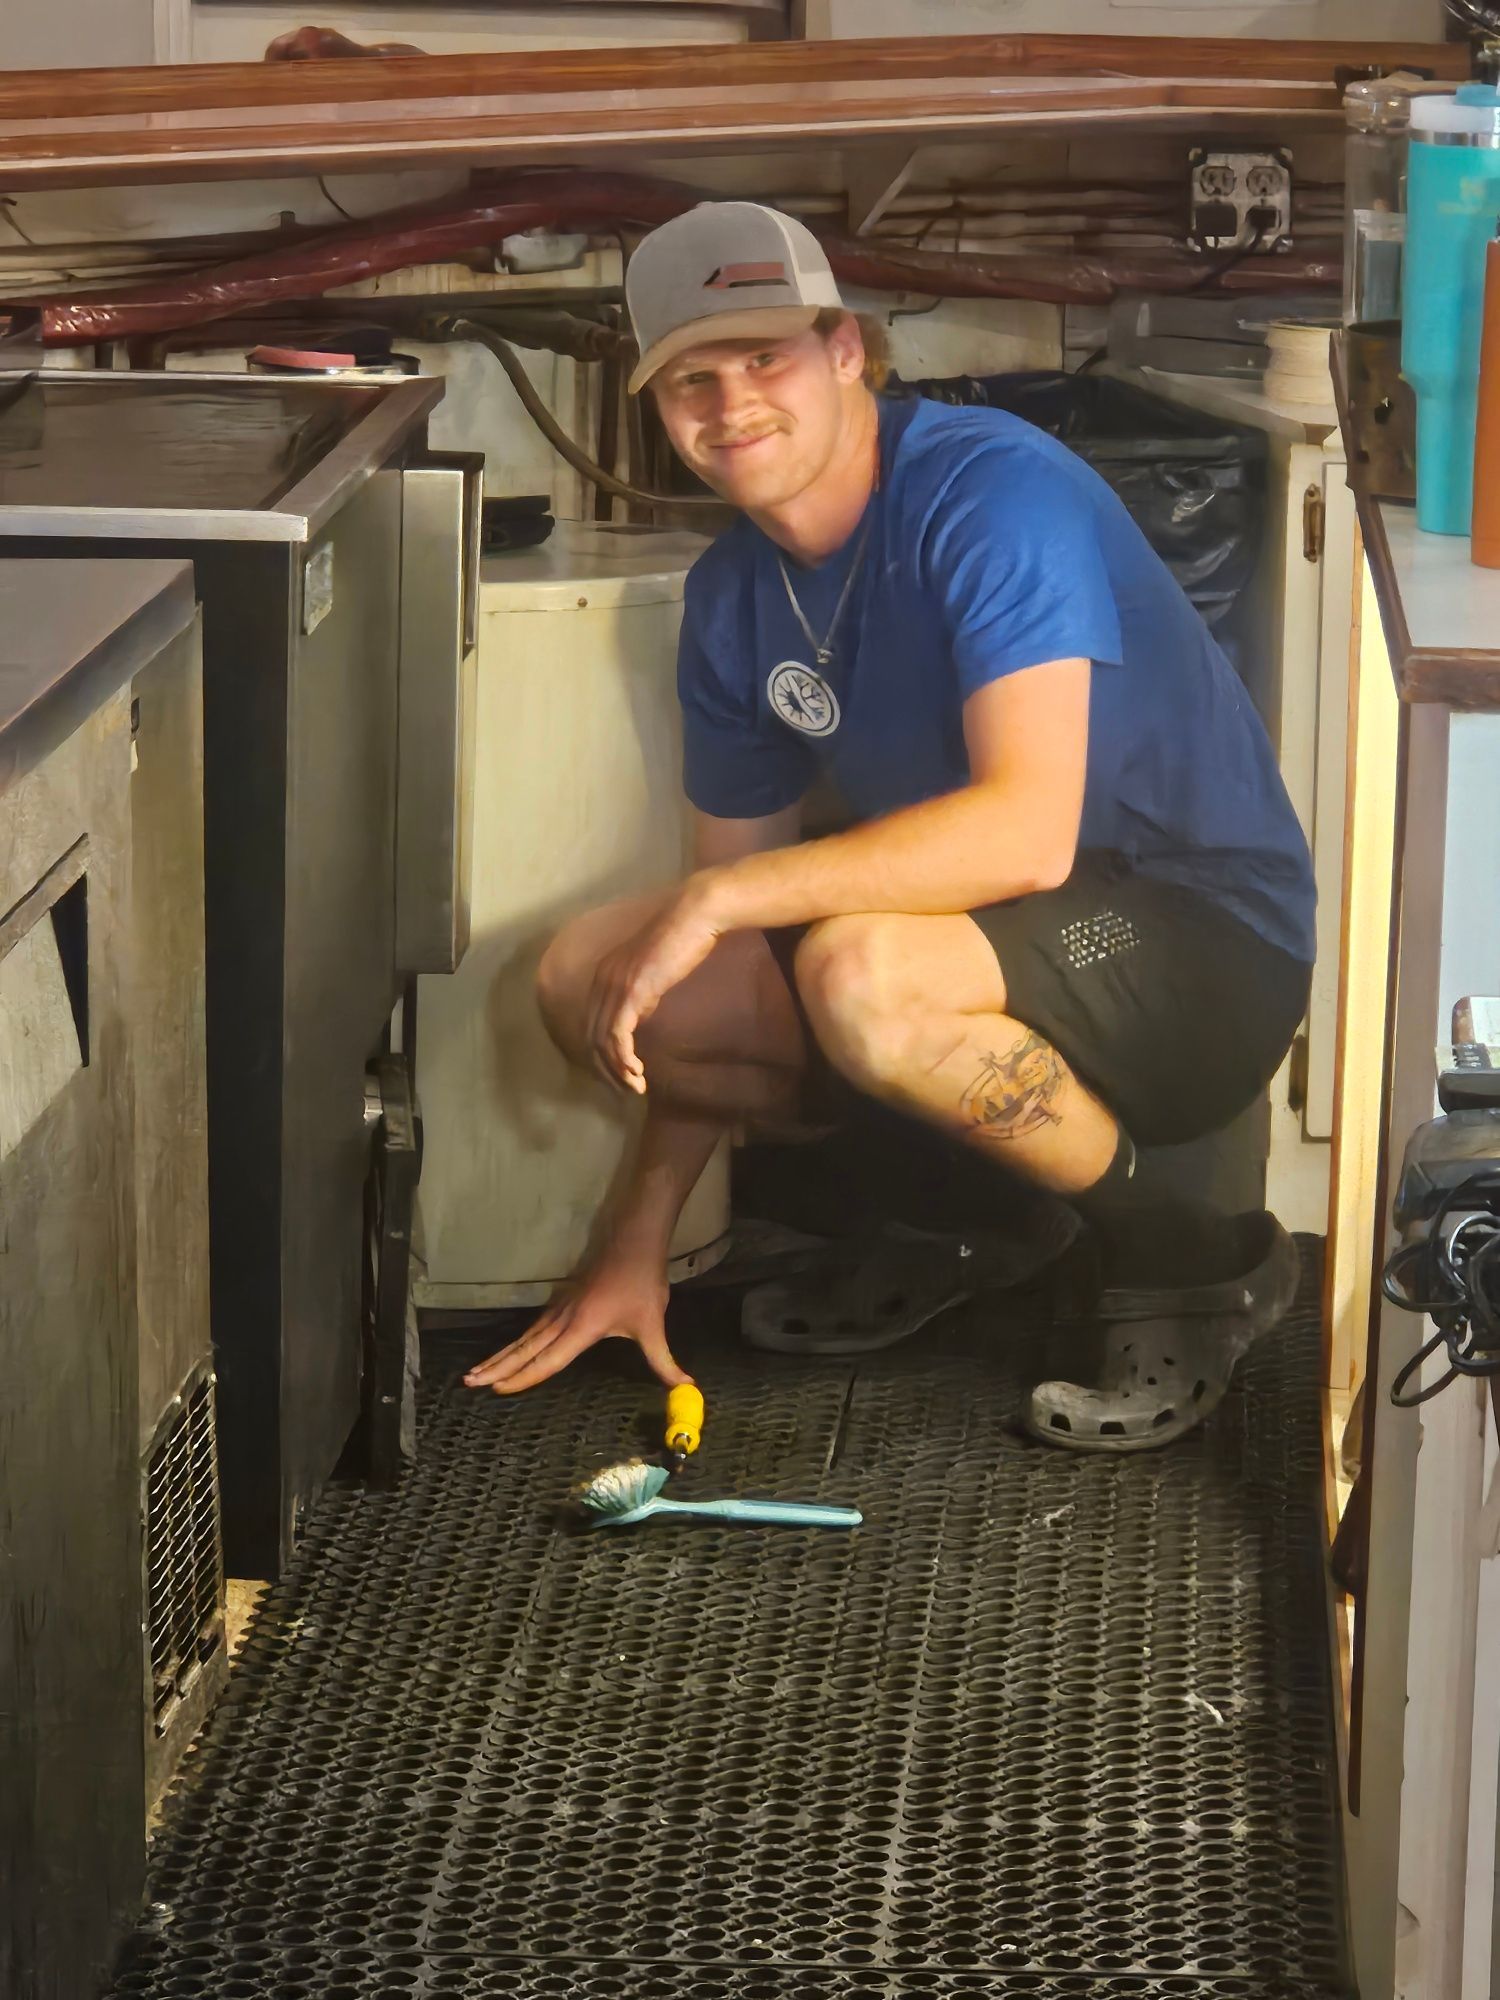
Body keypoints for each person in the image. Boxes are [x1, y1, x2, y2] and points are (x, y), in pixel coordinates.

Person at [465, 199, 1315, 1452]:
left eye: (766, 358)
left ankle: (1200, 1260)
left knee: (856, 969)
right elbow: (728, 939)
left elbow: (1027, 834)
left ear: (847, 350)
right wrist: (628, 1247)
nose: (732, 404)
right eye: (692, 378)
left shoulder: (990, 493)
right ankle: (979, 1218)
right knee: (595, 976)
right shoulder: (733, 598)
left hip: (1200, 933)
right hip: (992, 938)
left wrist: (721, 901)